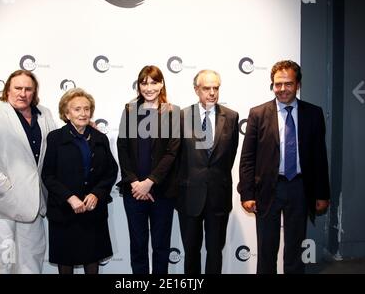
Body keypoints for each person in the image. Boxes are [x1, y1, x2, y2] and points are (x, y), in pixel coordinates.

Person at [238, 60, 330, 274]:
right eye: (277, 84)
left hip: (299, 187)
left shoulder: (313, 113)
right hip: (268, 189)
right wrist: (247, 193)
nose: (282, 89)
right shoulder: (258, 113)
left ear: (297, 84)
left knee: (295, 248)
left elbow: (319, 157)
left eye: (288, 84)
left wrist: (322, 193)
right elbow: (247, 158)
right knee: (266, 248)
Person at [0, 70, 57, 273]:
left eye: (28, 89)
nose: (22, 93)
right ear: (8, 89)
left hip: (34, 203)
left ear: (34, 92)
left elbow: (57, 147)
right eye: (18, 88)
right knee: (0, 263)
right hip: (1, 204)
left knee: (31, 263)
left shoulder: (45, 114)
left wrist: (85, 131)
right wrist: (5, 186)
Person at [41, 88, 118, 274]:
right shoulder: (55, 138)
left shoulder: (100, 137)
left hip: (93, 211)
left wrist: (97, 194)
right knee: (65, 260)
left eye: (86, 109)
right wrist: (70, 198)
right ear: (66, 113)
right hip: (64, 211)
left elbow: (111, 171)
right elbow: (48, 175)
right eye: (77, 109)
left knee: (92, 259)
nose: (83, 113)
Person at [117, 65, 180, 274]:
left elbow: (172, 153)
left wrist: (149, 183)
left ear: (161, 84)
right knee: (138, 247)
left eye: (153, 82)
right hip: (133, 192)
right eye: (144, 83)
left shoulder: (173, 112)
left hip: (162, 192)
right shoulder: (129, 110)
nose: (149, 87)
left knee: (161, 247)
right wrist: (135, 183)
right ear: (139, 85)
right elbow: (122, 147)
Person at [176, 69, 239, 274]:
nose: (212, 92)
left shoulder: (231, 117)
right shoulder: (181, 116)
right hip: (189, 197)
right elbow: (176, 158)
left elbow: (229, 156)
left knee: (215, 251)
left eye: (216, 88)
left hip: (218, 197)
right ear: (196, 90)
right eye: (206, 88)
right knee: (191, 251)